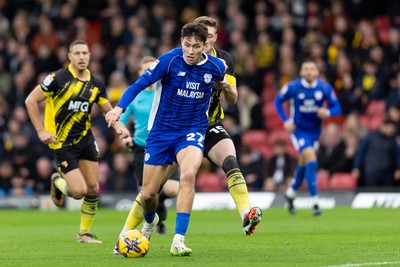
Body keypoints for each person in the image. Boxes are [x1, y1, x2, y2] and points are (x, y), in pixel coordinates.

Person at [106, 22, 226, 256]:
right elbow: (138, 85)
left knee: (189, 174)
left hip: (191, 131)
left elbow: (222, 88)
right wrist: (118, 109)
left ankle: (178, 239)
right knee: (149, 194)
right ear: (181, 42)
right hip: (161, 133)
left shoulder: (216, 67)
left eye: (196, 46)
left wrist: (226, 88)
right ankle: (150, 221)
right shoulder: (168, 61)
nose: (190, 51)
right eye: (186, 45)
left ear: (205, 45)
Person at [25, 39, 129, 243]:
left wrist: (119, 127)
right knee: (79, 191)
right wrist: (40, 130)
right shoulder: (57, 78)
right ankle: (56, 180)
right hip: (62, 143)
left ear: (90, 56)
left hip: (86, 140)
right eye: (78, 53)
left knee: (93, 188)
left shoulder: (95, 83)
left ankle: (84, 234)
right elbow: (30, 100)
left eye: (85, 53)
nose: (82, 57)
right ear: (69, 57)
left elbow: (108, 110)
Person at [115, 56, 180, 243]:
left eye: (150, 69)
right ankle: (155, 222)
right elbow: (122, 119)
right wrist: (124, 135)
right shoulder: (136, 95)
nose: (148, 73)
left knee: (171, 189)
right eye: (144, 70)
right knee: (149, 192)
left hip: (164, 146)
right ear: (139, 73)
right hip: (141, 148)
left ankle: (158, 217)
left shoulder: (166, 90)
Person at [274, 59, 342, 216]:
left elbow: (337, 107)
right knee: (311, 160)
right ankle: (315, 202)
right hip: (298, 131)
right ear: (301, 72)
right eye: (306, 68)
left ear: (317, 72)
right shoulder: (293, 87)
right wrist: (285, 121)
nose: (309, 71)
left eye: (312, 69)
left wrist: (328, 112)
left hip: (315, 132)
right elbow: (277, 101)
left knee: (304, 164)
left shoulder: (324, 88)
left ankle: (291, 193)